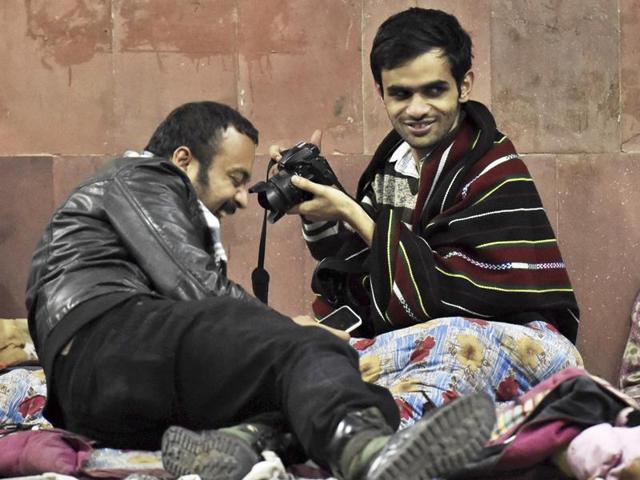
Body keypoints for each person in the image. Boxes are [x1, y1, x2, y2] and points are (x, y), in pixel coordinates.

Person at [25, 101, 497, 480]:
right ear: (185, 160)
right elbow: (196, 290)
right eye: (234, 179)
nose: (238, 198)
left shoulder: (139, 205)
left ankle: (241, 440)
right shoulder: (144, 176)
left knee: (325, 394)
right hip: (108, 343)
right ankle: (370, 456)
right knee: (315, 355)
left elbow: (200, 322)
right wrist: (295, 335)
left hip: (102, 401)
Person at [270, 7, 582, 418]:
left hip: (513, 346)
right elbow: (364, 263)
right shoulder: (393, 164)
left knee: (451, 341)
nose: (416, 109)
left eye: (433, 91)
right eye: (400, 94)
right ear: (380, 91)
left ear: (464, 85)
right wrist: (318, 201)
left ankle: (371, 431)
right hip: (414, 348)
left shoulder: (491, 166)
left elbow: (452, 295)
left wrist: (352, 211)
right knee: (294, 341)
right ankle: (313, 431)